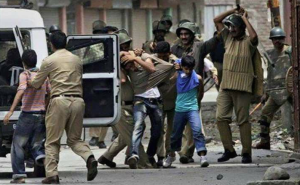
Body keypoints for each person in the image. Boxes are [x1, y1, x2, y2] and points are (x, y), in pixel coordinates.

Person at [28, 31, 98, 183]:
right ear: (66, 43)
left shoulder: (49, 60)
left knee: (52, 141)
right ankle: (89, 157)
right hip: (78, 101)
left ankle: (52, 175)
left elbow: (37, 83)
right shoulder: (77, 59)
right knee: (74, 139)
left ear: (51, 44)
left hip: (59, 101)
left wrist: (27, 80)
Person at [214, 6, 262, 163]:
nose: (232, 29)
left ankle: (246, 153)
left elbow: (254, 36)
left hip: (242, 88)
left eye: (235, 26)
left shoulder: (248, 42)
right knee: (221, 118)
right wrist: (233, 11)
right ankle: (229, 150)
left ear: (242, 28)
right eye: (231, 26)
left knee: (242, 121)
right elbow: (216, 20)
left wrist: (244, 18)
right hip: (225, 86)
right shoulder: (227, 39)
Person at [98, 32, 152, 169]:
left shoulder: (126, 57)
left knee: (128, 132)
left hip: (131, 103)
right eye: (123, 46)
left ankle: (107, 156)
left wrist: (134, 56)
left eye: (128, 45)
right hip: (120, 105)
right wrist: (123, 63)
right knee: (132, 134)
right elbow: (122, 80)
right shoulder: (114, 61)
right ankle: (143, 162)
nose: (126, 48)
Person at [171, 21, 219, 164]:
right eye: (181, 34)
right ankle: (182, 150)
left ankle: (186, 152)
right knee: (179, 122)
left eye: (186, 34)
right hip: (178, 89)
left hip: (194, 88)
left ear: (192, 35)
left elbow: (214, 41)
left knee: (192, 122)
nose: (184, 36)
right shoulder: (175, 48)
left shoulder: (200, 46)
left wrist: (220, 30)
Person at [3, 49, 50, 184]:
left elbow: (21, 91)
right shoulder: (43, 76)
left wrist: (11, 111)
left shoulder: (25, 74)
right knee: (37, 146)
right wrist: (45, 107)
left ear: (23, 63)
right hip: (41, 115)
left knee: (18, 145)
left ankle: (19, 176)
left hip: (27, 115)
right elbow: (49, 93)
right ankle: (47, 163)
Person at [163, 55, 208, 168]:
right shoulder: (177, 75)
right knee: (175, 134)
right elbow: (170, 77)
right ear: (182, 66)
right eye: (185, 68)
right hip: (179, 109)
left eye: (190, 69)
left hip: (192, 109)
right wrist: (176, 66)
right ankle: (171, 155)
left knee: (197, 131)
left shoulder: (197, 78)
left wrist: (196, 104)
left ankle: (202, 156)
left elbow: (201, 93)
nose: (188, 71)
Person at [253, 27, 293, 150]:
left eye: (279, 38)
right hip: (275, 91)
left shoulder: (290, 51)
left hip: (290, 89)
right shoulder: (269, 55)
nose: (277, 41)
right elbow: (269, 74)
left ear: (284, 39)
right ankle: (265, 141)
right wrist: (266, 92)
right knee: (265, 113)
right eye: (275, 39)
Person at [152, 41, 178, 167]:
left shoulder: (176, 63)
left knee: (172, 130)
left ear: (169, 53)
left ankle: (170, 154)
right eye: (160, 56)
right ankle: (160, 156)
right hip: (159, 101)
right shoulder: (152, 62)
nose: (162, 59)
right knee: (159, 129)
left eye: (164, 56)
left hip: (173, 100)